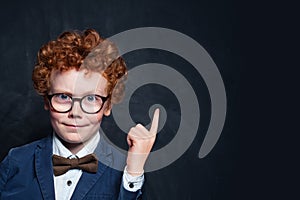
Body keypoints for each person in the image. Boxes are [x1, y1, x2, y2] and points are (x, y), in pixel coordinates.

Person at [0, 28, 159, 199]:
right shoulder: (16, 161)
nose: (75, 113)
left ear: (107, 106)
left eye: (91, 98)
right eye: (63, 97)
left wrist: (133, 173)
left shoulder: (128, 171)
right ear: (47, 101)